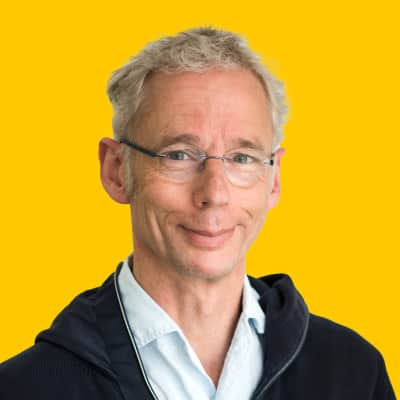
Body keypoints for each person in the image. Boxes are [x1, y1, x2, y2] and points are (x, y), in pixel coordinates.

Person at [0, 27, 396, 400]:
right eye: (178, 155)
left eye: (242, 157)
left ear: (273, 179)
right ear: (116, 170)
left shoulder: (352, 373)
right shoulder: (25, 388)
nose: (214, 193)